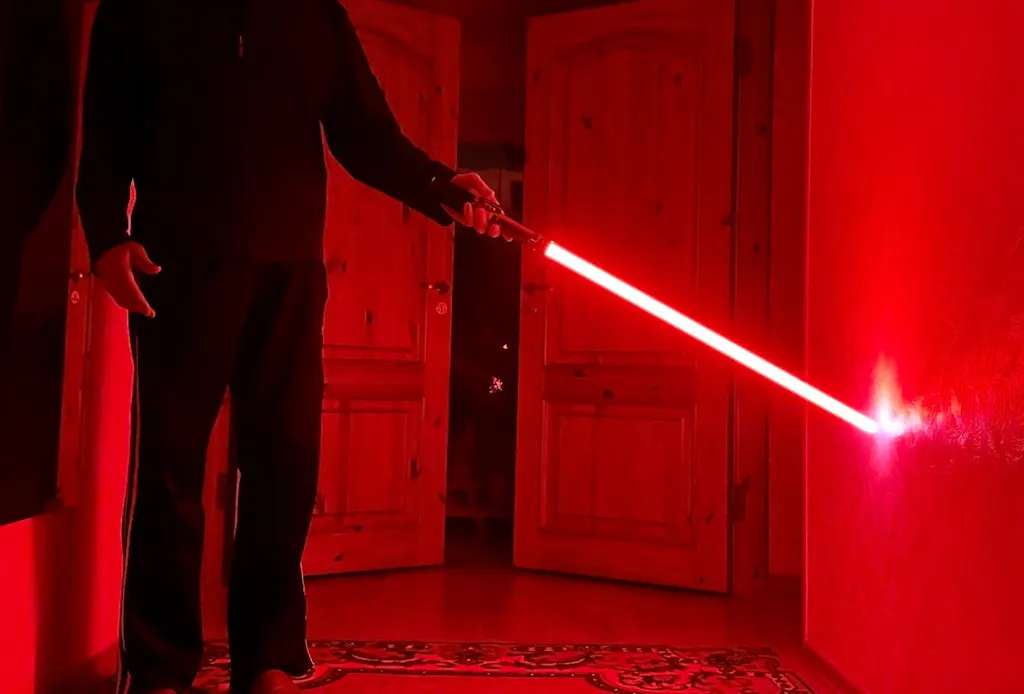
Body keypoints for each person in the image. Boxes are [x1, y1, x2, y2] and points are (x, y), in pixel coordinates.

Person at [76, 2, 500, 693]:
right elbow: (104, 136)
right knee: (168, 470)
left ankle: (268, 657)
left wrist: (439, 186)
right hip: (174, 271)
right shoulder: (136, 9)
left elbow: (367, 135)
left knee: (286, 463)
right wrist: (105, 238)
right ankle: (158, 669)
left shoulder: (315, 14)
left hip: (291, 277)